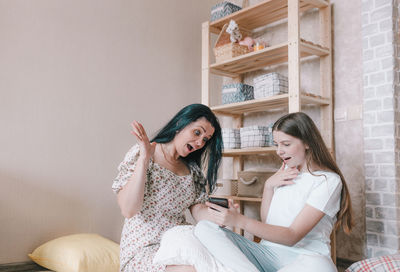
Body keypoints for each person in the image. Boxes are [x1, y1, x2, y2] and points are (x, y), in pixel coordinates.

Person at [194, 112, 353, 272]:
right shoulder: (285, 172)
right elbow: (269, 222)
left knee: (320, 268)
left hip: (305, 258)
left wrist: (239, 220)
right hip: (267, 253)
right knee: (204, 227)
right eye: (277, 144)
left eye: (286, 144)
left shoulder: (328, 181)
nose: (279, 151)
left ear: (307, 143)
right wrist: (268, 186)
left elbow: (292, 236)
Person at [112, 103, 223, 272]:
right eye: (197, 132)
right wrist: (144, 159)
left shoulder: (193, 172)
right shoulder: (142, 154)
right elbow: (129, 210)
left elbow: (199, 211)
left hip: (178, 243)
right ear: (180, 124)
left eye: (205, 139)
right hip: (144, 248)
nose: (200, 142)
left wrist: (221, 216)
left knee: (220, 262)